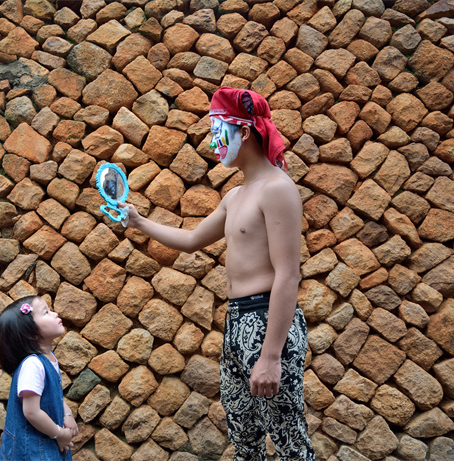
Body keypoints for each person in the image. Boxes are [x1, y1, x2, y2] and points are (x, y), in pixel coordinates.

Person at [121, 87, 315, 461]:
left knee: (289, 441)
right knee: (243, 437)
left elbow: (288, 274)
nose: (212, 142)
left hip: (266, 321)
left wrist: (271, 355)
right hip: (237, 323)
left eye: (217, 130)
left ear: (244, 132)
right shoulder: (235, 195)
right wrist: (139, 221)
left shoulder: (278, 188)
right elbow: (192, 239)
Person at [0, 296, 78, 461]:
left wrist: (67, 414)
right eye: (46, 312)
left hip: (47, 444)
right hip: (32, 451)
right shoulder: (33, 365)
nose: (55, 314)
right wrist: (59, 434)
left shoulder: (48, 357)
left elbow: (55, 394)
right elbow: (31, 411)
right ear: (32, 333)